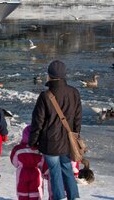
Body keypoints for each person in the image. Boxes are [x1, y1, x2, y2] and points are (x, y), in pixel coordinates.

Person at [29, 60, 82, 200]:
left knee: (55, 172)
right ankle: (74, 197)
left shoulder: (45, 96)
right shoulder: (74, 92)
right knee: (67, 169)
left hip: (50, 143)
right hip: (67, 140)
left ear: (50, 75)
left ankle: (59, 198)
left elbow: (37, 122)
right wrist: (75, 137)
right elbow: (78, 118)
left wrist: (33, 141)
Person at [10, 125, 46, 199]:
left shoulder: (17, 149)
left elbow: (14, 161)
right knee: (35, 190)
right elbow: (43, 163)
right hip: (36, 172)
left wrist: (19, 165)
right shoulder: (40, 150)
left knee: (22, 189)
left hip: (22, 172)